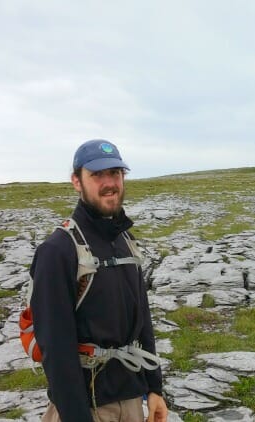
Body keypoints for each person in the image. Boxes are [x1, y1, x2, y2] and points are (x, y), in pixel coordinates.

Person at [30, 139, 168, 422]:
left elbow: (143, 318)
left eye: (115, 173)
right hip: (85, 407)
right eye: (97, 175)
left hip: (130, 399)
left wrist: (154, 389)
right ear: (76, 181)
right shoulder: (58, 251)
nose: (109, 183)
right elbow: (55, 350)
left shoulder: (125, 241)